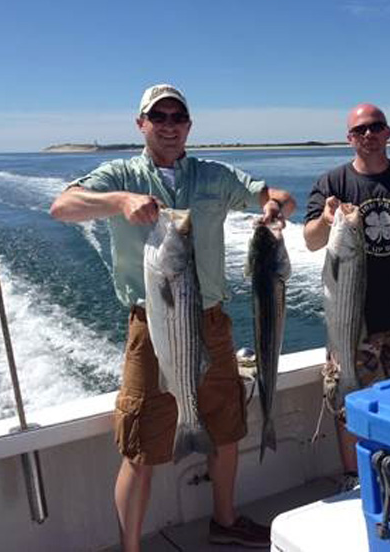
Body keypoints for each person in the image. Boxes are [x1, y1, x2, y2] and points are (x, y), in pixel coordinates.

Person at [50, 84, 296, 551]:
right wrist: (119, 201)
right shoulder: (119, 172)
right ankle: (132, 548)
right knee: (141, 446)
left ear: (189, 125)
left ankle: (224, 521)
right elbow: (62, 206)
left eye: (176, 117)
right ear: (141, 124)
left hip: (213, 322)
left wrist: (273, 208)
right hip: (153, 324)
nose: (168, 125)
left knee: (226, 430)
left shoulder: (213, 175)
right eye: (157, 117)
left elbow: (280, 196)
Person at [303, 103, 390, 488]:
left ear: (388, 132)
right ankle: (356, 480)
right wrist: (326, 221)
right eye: (360, 130)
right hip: (351, 323)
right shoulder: (333, 182)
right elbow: (310, 241)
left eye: (375, 127)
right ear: (349, 138)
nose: (369, 135)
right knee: (348, 403)